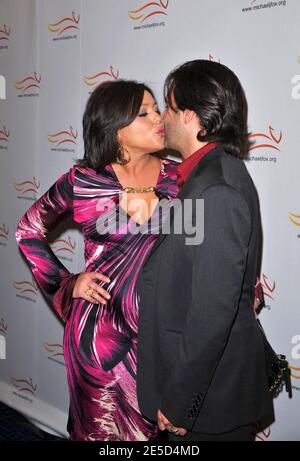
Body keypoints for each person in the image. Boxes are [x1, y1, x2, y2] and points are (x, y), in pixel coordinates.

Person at [15, 79, 179, 441]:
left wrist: (245, 288)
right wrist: (69, 283)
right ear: (115, 128)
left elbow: (212, 244)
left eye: (156, 109)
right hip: (98, 340)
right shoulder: (83, 182)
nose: (158, 118)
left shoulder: (179, 178)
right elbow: (28, 231)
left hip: (158, 338)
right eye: (144, 113)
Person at [136, 60, 274, 441]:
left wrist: (182, 401)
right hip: (205, 393)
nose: (162, 117)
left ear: (193, 117)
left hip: (208, 405)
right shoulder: (208, 175)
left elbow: (211, 312)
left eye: (168, 106)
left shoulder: (216, 189)